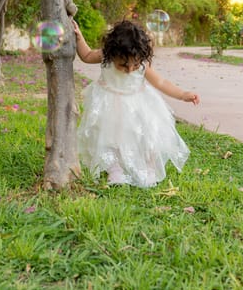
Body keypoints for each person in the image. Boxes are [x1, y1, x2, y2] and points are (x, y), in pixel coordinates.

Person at [72, 19, 200, 188]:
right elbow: (87, 56)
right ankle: (115, 170)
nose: (130, 69)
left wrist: (183, 94)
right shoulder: (106, 56)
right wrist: (79, 37)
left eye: (135, 64)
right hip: (108, 105)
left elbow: (161, 82)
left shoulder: (142, 65)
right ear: (112, 53)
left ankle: (149, 169)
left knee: (147, 137)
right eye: (123, 65)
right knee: (108, 138)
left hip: (138, 105)